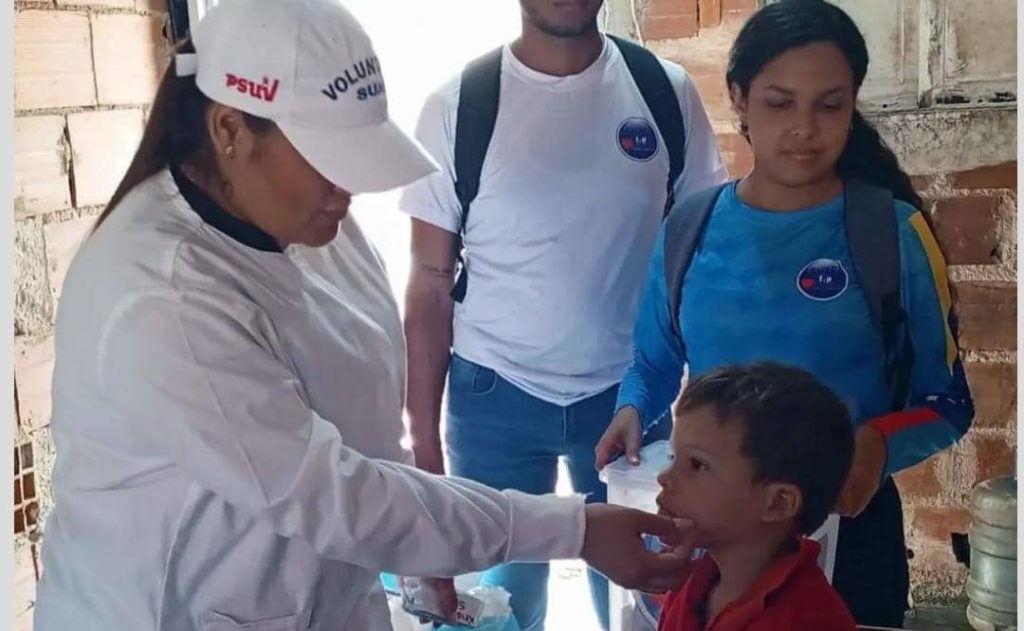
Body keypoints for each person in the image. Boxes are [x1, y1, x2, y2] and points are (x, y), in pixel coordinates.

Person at [31, 1, 699, 629]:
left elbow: (368, 437)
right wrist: (574, 529)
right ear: (230, 130)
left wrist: (424, 550)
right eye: (328, 160)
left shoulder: (316, 224)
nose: (345, 188)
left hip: (317, 596)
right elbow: (333, 497)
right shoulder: (161, 296)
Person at [596, 1, 975, 627]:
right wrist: (632, 408)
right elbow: (653, 361)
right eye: (779, 103)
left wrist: (876, 445)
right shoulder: (690, 228)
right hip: (715, 542)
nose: (804, 128)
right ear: (740, 99)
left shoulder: (891, 234)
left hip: (850, 534)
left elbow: (949, 403)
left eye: (830, 105)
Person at [399, 1, 727, 628]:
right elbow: (430, 282)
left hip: (631, 398)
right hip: (494, 395)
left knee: (642, 605)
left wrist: (697, 413)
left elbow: (703, 261)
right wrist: (423, 446)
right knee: (499, 606)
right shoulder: (459, 106)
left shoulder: (664, 93)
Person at [654, 363, 858, 631]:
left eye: (697, 465)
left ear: (778, 503)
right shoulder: (695, 582)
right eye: (672, 457)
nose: (664, 478)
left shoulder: (803, 620)